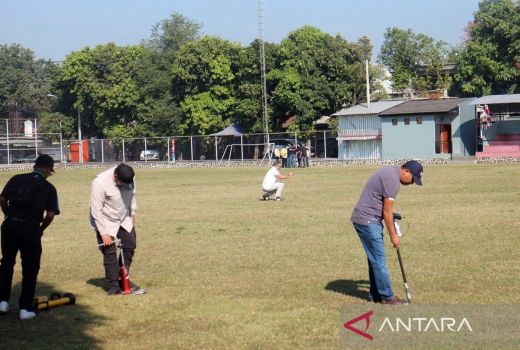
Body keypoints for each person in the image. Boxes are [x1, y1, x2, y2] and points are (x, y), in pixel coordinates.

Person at [350, 160, 423, 305]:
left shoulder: (390, 172)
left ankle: (375, 295)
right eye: (413, 179)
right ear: (406, 171)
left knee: (375, 259)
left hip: (366, 219)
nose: (412, 182)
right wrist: (393, 235)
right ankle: (387, 297)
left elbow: (384, 207)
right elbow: (386, 210)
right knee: (379, 259)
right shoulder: (393, 180)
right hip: (368, 220)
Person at [0, 154, 60, 319]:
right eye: (50, 171)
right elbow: (50, 214)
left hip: (10, 225)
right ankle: (25, 308)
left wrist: (7, 214)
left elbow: (2, 198)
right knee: (30, 267)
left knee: (6, 263)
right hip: (31, 228)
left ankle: (2, 302)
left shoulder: (16, 178)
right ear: (47, 169)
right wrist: (41, 228)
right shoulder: (48, 188)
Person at [89, 164, 145, 295]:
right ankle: (114, 285)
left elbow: (133, 195)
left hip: (124, 216)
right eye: (122, 183)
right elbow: (96, 210)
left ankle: (123, 278)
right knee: (109, 251)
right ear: (115, 177)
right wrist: (103, 233)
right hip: (105, 219)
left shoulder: (129, 177)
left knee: (130, 243)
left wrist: (133, 213)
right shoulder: (100, 183)